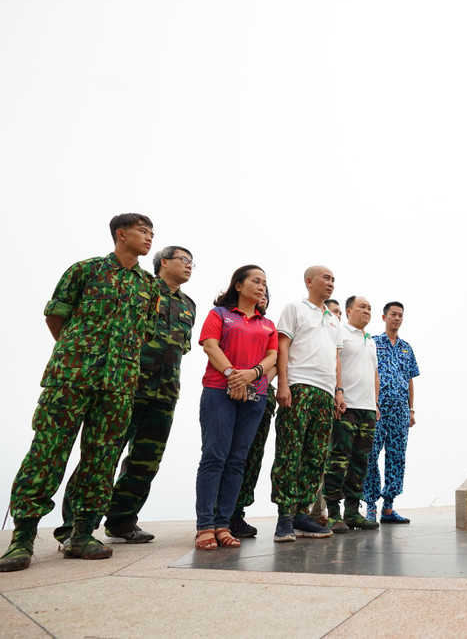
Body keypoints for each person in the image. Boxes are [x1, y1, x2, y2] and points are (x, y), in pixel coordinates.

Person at [0, 214, 159, 572]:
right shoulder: (84, 270)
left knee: (101, 459)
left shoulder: (148, 285)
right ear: (122, 233)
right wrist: (79, 354)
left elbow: (143, 334)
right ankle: (22, 537)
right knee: (47, 453)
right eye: (143, 231)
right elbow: (56, 317)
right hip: (70, 379)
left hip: (118, 385)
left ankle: (83, 533)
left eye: (152, 233)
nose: (149, 238)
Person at [54, 246, 196, 546]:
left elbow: (181, 349)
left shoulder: (189, 306)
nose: (189, 265)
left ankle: (122, 521)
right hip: (124, 385)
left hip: (165, 392)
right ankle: (75, 525)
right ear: (163, 262)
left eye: (192, 262)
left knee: (145, 461)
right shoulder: (140, 287)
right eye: (183, 259)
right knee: (101, 454)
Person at [194, 266, 278, 550]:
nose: (261, 287)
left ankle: (223, 523)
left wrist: (251, 375)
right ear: (238, 285)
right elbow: (209, 345)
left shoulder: (267, 325)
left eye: (265, 283)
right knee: (214, 455)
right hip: (219, 389)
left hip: (255, 394)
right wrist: (233, 375)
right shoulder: (219, 314)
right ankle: (205, 526)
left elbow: (273, 357)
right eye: (256, 281)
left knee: (237, 460)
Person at [270, 266, 344, 542]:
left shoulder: (334, 320)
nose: (331, 283)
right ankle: (285, 516)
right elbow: (283, 346)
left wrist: (338, 391)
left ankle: (302, 513)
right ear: (309, 281)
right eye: (326, 278)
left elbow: (336, 359)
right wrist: (284, 384)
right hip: (299, 386)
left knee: (316, 456)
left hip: (326, 393)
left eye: (334, 279)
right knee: (290, 451)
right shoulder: (295, 308)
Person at [322, 296, 381, 532]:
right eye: (362, 307)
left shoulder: (371, 340)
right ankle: (334, 513)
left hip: (367, 409)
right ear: (348, 311)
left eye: (369, 308)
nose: (367, 311)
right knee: (338, 460)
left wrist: (375, 404)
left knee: (360, 462)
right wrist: (338, 393)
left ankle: (353, 512)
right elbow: (333, 363)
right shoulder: (340, 332)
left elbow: (375, 375)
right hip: (347, 407)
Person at [364, 301, 420, 524]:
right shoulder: (373, 343)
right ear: (384, 317)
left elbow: (410, 380)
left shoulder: (407, 348)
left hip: (400, 411)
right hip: (377, 409)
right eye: (393, 314)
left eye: (400, 315)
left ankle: (388, 507)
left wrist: (411, 409)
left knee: (397, 457)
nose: (397, 318)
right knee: (371, 455)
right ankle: (370, 506)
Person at [228, 291, 277, 539]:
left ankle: (236, 514)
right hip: (230, 391)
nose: (264, 295)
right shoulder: (230, 320)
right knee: (225, 453)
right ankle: (217, 514)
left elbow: (275, 361)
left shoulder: (269, 328)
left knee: (252, 455)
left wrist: (257, 383)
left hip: (261, 396)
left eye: (267, 294)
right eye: (259, 289)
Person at [308, 298, 344, 527]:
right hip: (315, 399)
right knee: (312, 457)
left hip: (335, 403)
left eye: (340, 312)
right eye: (334, 311)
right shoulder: (318, 334)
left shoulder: (339, 338)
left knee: (327, 460)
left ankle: (320, 511)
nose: (337, 316)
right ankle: (299, 510)